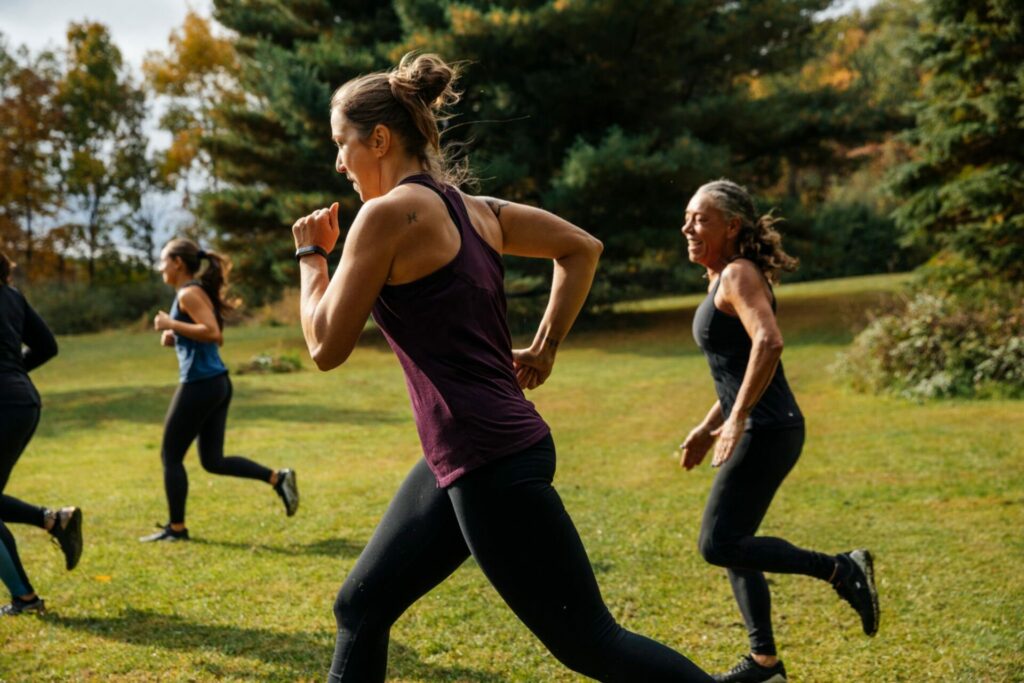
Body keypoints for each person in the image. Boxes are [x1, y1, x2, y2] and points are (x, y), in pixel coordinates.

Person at [291, 53, 713, 682]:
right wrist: (544, 346)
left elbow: (326, 345)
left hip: (488, 459)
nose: (338, 162)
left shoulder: (386, 217)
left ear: (377, 139)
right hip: (472, 453)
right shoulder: (475, 210)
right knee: (363, 604)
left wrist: (310, 257)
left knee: (592, 641)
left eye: (340, 144)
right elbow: (581, 248)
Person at [678, 180, 879, 682]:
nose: (688, 227)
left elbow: (769, 343)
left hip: (767, 429)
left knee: (717, 543)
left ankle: (841, 568)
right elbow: (739, 365)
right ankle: (764, 662)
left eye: (700, 219)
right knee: (734, 539)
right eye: (687, 218)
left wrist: (739, 417)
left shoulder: (739, 274)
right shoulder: (721, 276)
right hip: (765, 426)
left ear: (732, 226)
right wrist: (710, 425)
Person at [140, 239, 299, 542]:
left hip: (201, 384)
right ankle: (278, 478)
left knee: (170, 455)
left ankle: (177, 529)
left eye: (163, 261)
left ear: (177, 263)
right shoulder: (192, 293)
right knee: (212, 461)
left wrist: (169, 323)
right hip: (214, 383)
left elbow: (212, 333)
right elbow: (212, 337)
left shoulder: (189, 293)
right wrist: (178, 336)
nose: (160, 267)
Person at [0, 250, 83, 615]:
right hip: (22, 402)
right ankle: (53, 519)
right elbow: (47, 346)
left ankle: (26, 598)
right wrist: (14, 372)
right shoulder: (12, 296)